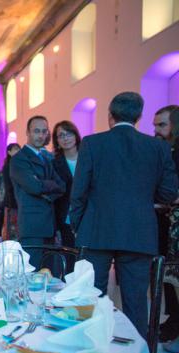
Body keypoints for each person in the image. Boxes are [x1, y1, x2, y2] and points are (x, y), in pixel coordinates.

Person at [70, 92, 178, 338]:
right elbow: (168, 193)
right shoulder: (158, 147)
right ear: (139, 116)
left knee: (91, 298)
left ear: (110, 114)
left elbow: (79, 191)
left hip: (96, 230)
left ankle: (91, 350)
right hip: (139, 232)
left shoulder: (92, 143)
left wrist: (78, 225)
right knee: (136, 303)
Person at [10, 115, 65, 268]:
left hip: (50, 226)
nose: (41, 135)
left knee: (49, 275)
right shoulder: (19, 159)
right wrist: (46, 185)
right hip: (32, 226)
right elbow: (34, 187)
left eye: (44, 131)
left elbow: (61, 186)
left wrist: (43, 185)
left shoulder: (46, 158)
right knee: (32, 275)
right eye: (36, 131)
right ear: (27, 132)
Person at [153, 105, 179, 341]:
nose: (157, 130)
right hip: (164, 223)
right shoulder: (162, 150)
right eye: (155, 125)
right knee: (168, 278)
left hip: (175, 222)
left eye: (162, 124)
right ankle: (173, 320)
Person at [52, 120, 81, 249]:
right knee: (69, 255)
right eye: (61, 135)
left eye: (68, 133)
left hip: (88, 216)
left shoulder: (87, 158)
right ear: (57, 140)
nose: (65, 138)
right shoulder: (54, 163)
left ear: (75, 135)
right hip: (65, 217)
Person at [2, 143, 21, 240]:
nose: (18, 151)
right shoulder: (7, 166)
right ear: (9, 152)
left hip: (20, 201)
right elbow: (8, 186)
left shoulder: (21, 165)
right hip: (12, 201)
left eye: (18, 149)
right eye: (15, 149)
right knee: (12, 227)